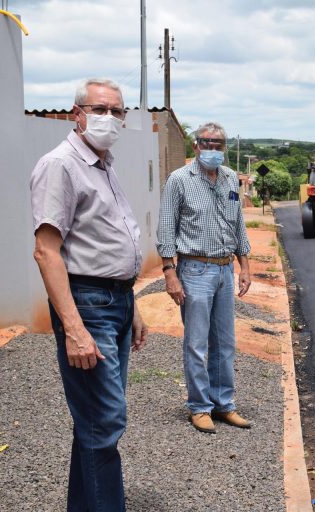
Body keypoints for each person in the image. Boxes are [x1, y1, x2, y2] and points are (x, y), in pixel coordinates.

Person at [29, 77, 148, 511]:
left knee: (96, 423)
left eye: (117, 111)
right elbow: (46, 251)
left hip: (115, 302)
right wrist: (75, 329)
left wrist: (130, 304)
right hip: (89, 306)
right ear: (77, 114)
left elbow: (105, 241)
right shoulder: (61, 165)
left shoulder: (102, 164)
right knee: (105, 422)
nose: (110, 118)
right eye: (100, 109)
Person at [156, 122, 252, 434]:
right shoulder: (179, 180)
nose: (212, 149)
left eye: (218, 144)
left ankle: (224, 404)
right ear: (196, 146)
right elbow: (166, 229)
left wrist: (244, 266)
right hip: (194, 270)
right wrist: (170, 273)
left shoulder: (230, 179)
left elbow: (238, 224)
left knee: (225, 343)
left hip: (225, 269)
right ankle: (199, 407)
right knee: (197, 343)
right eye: (206, 143)